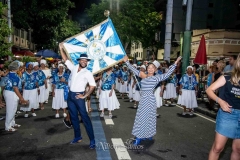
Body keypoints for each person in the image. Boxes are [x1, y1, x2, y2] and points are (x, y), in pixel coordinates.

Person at [122, 55, 181, 145]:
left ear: (155, 70)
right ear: (146, 69)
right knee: (141, 118)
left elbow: (168, 74)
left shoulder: (156, 78)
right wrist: (126, 62)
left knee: (149, 118)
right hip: (143, 100)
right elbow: (133, 70)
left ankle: (146, 135)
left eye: (152, 68)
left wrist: (175, 63)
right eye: (148, 67)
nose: (150, 69)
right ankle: (140, 136)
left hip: (150, 100)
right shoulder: (143, 75)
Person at [59, 43, 96, 149]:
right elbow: (65, 59)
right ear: (79, 61)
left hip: (79, 97)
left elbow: (93, 85)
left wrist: (85, 96)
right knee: (74, 117)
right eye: (82, 60)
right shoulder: (74, 67)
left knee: (85, 118)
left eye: (86, 61)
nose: (84, 62)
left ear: (87, 62)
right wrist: (61, 48)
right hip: (70, 96)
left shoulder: (87, 73)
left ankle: (92, 140)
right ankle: (77, 137)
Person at [206, 54, 240, 160]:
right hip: (228, 114)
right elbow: (209, 90)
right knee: (218, 148)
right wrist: (220, 101)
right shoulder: (227, 77)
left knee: (238, 149)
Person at [4, 61, 28, 131]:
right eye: (19, 66)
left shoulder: (11, 74)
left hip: (10, 93)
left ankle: (12, 123)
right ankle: (7, 126)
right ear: (17, 67)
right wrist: (21, 98)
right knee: (11, 110)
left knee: (14, 109)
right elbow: (15, 88)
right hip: (11, 93)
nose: (20, 68)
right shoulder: (14, 76)